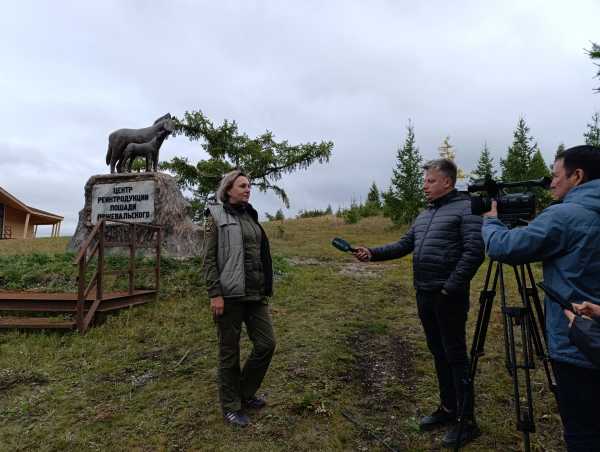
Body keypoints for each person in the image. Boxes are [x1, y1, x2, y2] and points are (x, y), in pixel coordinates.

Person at [354, 158, 485, 448]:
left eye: (430, 181)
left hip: (448, 296)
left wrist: (450, 288)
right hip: (424, 293)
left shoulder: (467, 209)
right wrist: (372, 253)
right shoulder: (425, 214)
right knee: (438, 352)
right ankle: (448, 409)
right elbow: (403, 244)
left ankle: (467, 422)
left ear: (447, 182)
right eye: (424, 181)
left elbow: (475, 252)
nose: (425, 185)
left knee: (455, 356)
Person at [482, 145, 600, 451]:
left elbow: (505, 248)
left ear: (577, 176)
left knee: (584, 433)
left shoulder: (565, 216)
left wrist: (491, 221)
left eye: (555, 175)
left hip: (580, 342)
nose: (551, 183)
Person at [204, 170, 276, 427]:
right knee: (229, 353)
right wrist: (215, 294)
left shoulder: (250, 215)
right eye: (243, 185)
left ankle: (244, 393)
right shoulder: (216, 216)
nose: (248, 189)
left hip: (255, 294)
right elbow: (209, 260)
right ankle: (231, 406)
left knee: (267, 344)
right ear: (228, 189)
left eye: (249, 186)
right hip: (230, 296)